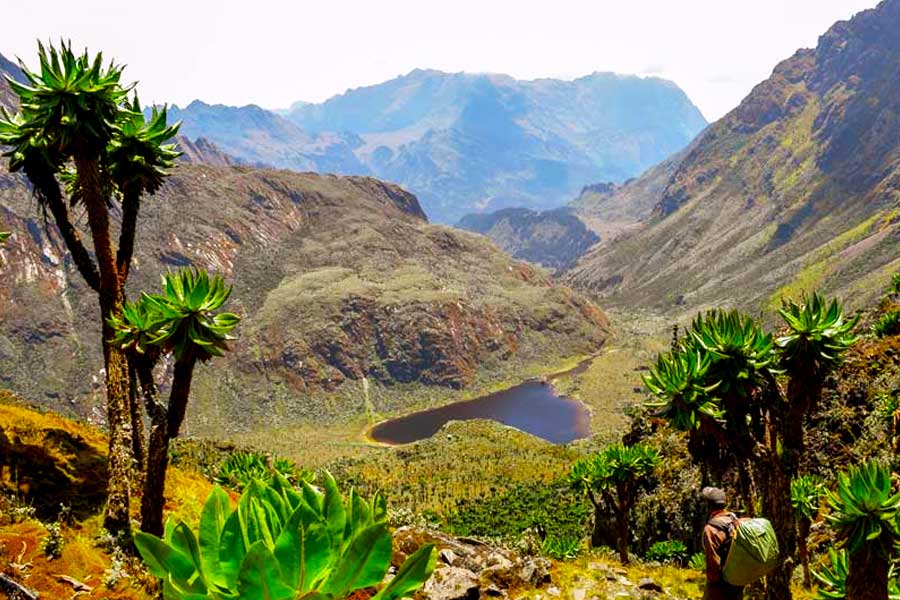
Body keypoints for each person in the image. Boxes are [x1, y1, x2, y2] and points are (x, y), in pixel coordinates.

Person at [701, 486, 744, 600]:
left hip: (721, 585)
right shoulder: (734, 520)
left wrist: (712, 586)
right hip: (738, 581)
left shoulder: (711, 529)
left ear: (709, 506)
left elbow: (713, 563)